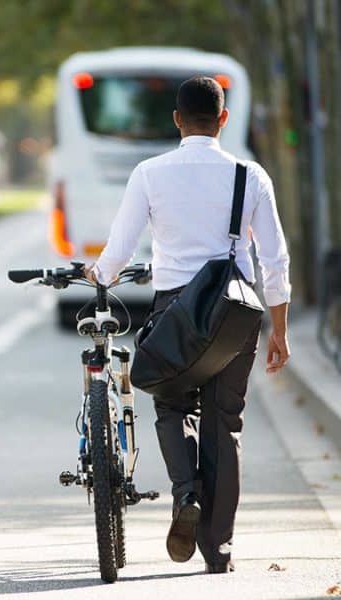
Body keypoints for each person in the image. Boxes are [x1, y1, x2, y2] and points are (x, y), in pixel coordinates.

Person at [85, 76, 291, 574]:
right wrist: (279, 332)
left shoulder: (151, 174)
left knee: (172, 404)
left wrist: (100, 276)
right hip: (234, 315)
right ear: (222, 119)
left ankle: (185, 495)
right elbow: (275, 259)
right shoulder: (250, 175)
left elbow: (118, 250)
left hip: (175, 311)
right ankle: (218, 550)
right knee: (225, 423)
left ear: (176, 120)